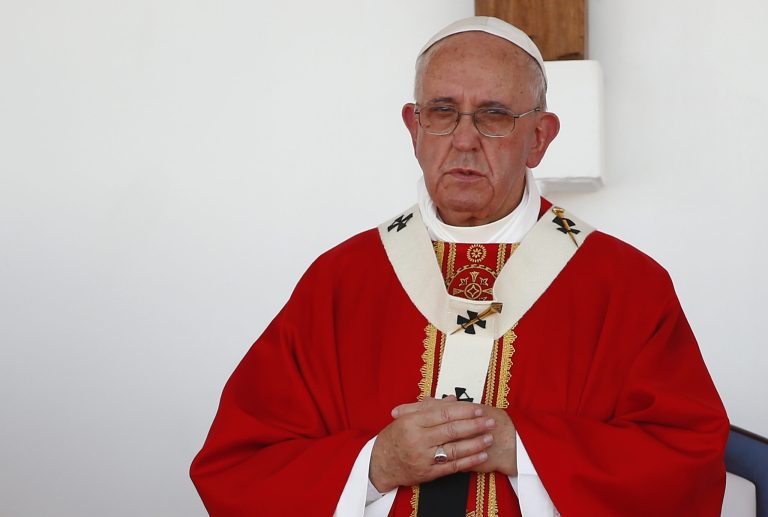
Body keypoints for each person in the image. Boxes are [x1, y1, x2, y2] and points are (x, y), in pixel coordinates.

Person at [190, 16, 728, 517]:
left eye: (495, 115)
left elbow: (686, 461)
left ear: (539, 137)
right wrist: (376, 465)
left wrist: (525, 449)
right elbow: (239, 464)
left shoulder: (626, 286)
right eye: (442, 111)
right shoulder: (340, 282)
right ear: (413, 128)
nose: (465, 139)